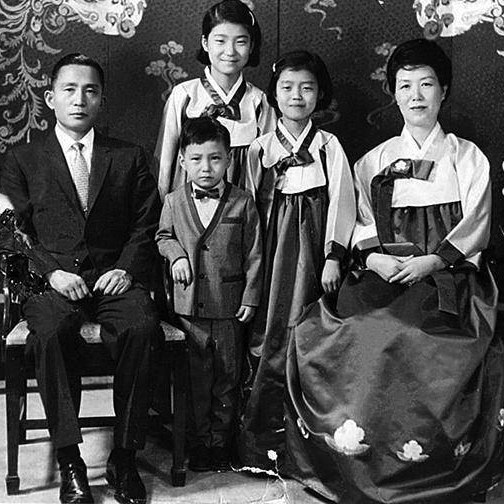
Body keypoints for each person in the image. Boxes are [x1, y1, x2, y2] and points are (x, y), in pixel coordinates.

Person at [285, 39, 504, 503]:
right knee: (345, 330)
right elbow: (361, 222)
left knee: (408, 335)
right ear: (394, 93)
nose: (416, 96)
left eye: (426, 84)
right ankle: (359, 466)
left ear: (444, 91)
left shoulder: (467, 157)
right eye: (405, 86)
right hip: (387, 273)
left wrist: (434, 259)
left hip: (448, 276)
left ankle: (426, 466)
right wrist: (373, 258)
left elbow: (476, 224)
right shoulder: (374, 160)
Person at [1, 53, 161, 504]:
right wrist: (50, 272)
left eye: (90, 91)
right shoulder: (23, 159)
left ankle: (124, 457)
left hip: (113, 276)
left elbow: (146, 222)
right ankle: (70, 460)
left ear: (101, 99)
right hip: (52, 280)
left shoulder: (128, 156)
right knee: (51, 333)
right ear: (50, 97)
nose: (79, 99)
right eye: (69, 90)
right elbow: (15, 232)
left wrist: (125, 268)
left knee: (141, 327)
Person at [239, 50, 356, 469]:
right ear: (274, 93)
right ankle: (265, 441)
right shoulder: (259, 149)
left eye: (307, 88)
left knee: (310, 332)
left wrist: (333, 257)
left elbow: (343, 202)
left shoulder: (328, 146)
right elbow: (247, 209)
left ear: (319, 94)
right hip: (271, 254)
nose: (296, 96)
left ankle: (312, 444)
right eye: (287, 87)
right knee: (270, 331)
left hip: (314, 253)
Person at [156, 117, 263, 472]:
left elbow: (254, 255)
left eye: (215, 158)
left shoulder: (243, 202)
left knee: (227, 378)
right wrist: (176, 255)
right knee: (195, 379)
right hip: (188, 309)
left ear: (229, 159)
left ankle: (221, 443)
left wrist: (250, 297)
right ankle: (199, 442)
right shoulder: (173, 201)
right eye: (197, 159)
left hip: (229, 307)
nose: (206, 168)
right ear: (182, 161)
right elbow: (163, 236)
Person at [154, 0, 275, 201]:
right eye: (220, 41)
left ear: (251, 46)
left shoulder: (259, 102)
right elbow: (164, 163)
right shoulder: (184, 95)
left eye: (240, 42)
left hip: (240, 209)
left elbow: (268, 168)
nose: (230, 51)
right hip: (188, 206)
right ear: (205, 43)